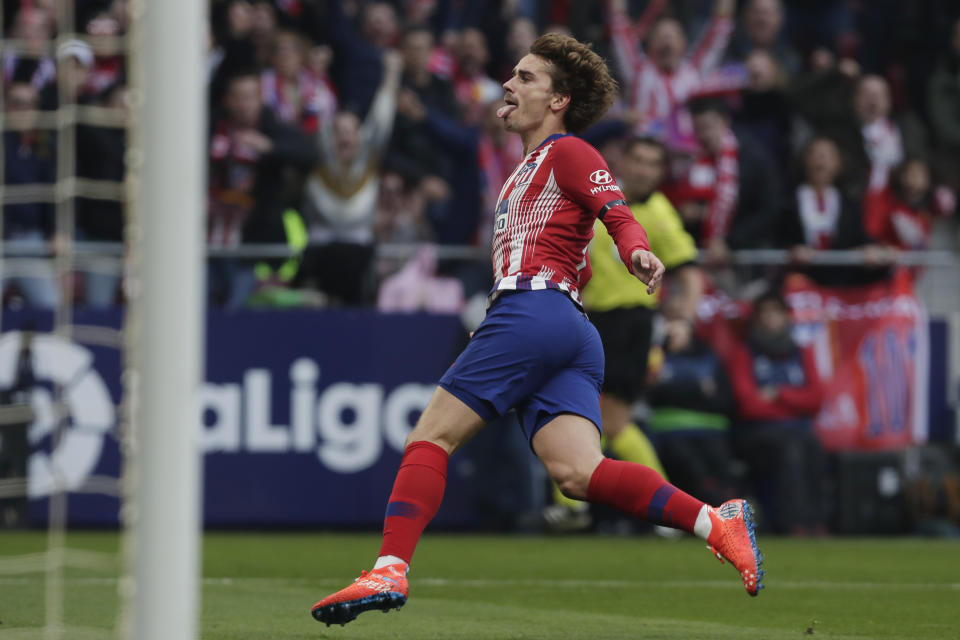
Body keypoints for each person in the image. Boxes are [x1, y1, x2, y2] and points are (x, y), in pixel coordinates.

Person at [311, 33, 764, 628]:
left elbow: (618, 213)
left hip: (534, 312)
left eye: (526, 77)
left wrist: (637, 253)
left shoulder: (569, 152)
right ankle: (715, 521)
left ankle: (390, 567)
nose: (509, 84)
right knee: (578, 473)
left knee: (430, 438)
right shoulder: (526, 169)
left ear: (558, 100)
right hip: (569, 329)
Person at [545, 135, 703, 530]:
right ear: (624, 161)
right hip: (589, 318)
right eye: (639, 160)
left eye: (654, 163)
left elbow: (690, 272)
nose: (645, 170)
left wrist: (684, 319)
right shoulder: (602, 199)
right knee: (589, 416)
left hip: (630, 322)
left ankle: (652, 510)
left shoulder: (660, 214)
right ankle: (655, 511)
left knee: (606, 421)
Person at [725, 290, 827, 534]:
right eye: (765, 313)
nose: (771, 318)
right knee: (789, 449)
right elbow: (747, 404)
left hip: (797, 430)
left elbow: (816, 399)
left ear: (786, 317)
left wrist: (779, 394)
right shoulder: (744, 353)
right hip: (756, 433)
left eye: (776, 312)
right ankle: (793, 524)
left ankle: (818, 521)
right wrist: (794, 405)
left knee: (814, 447)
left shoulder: (801, 352)